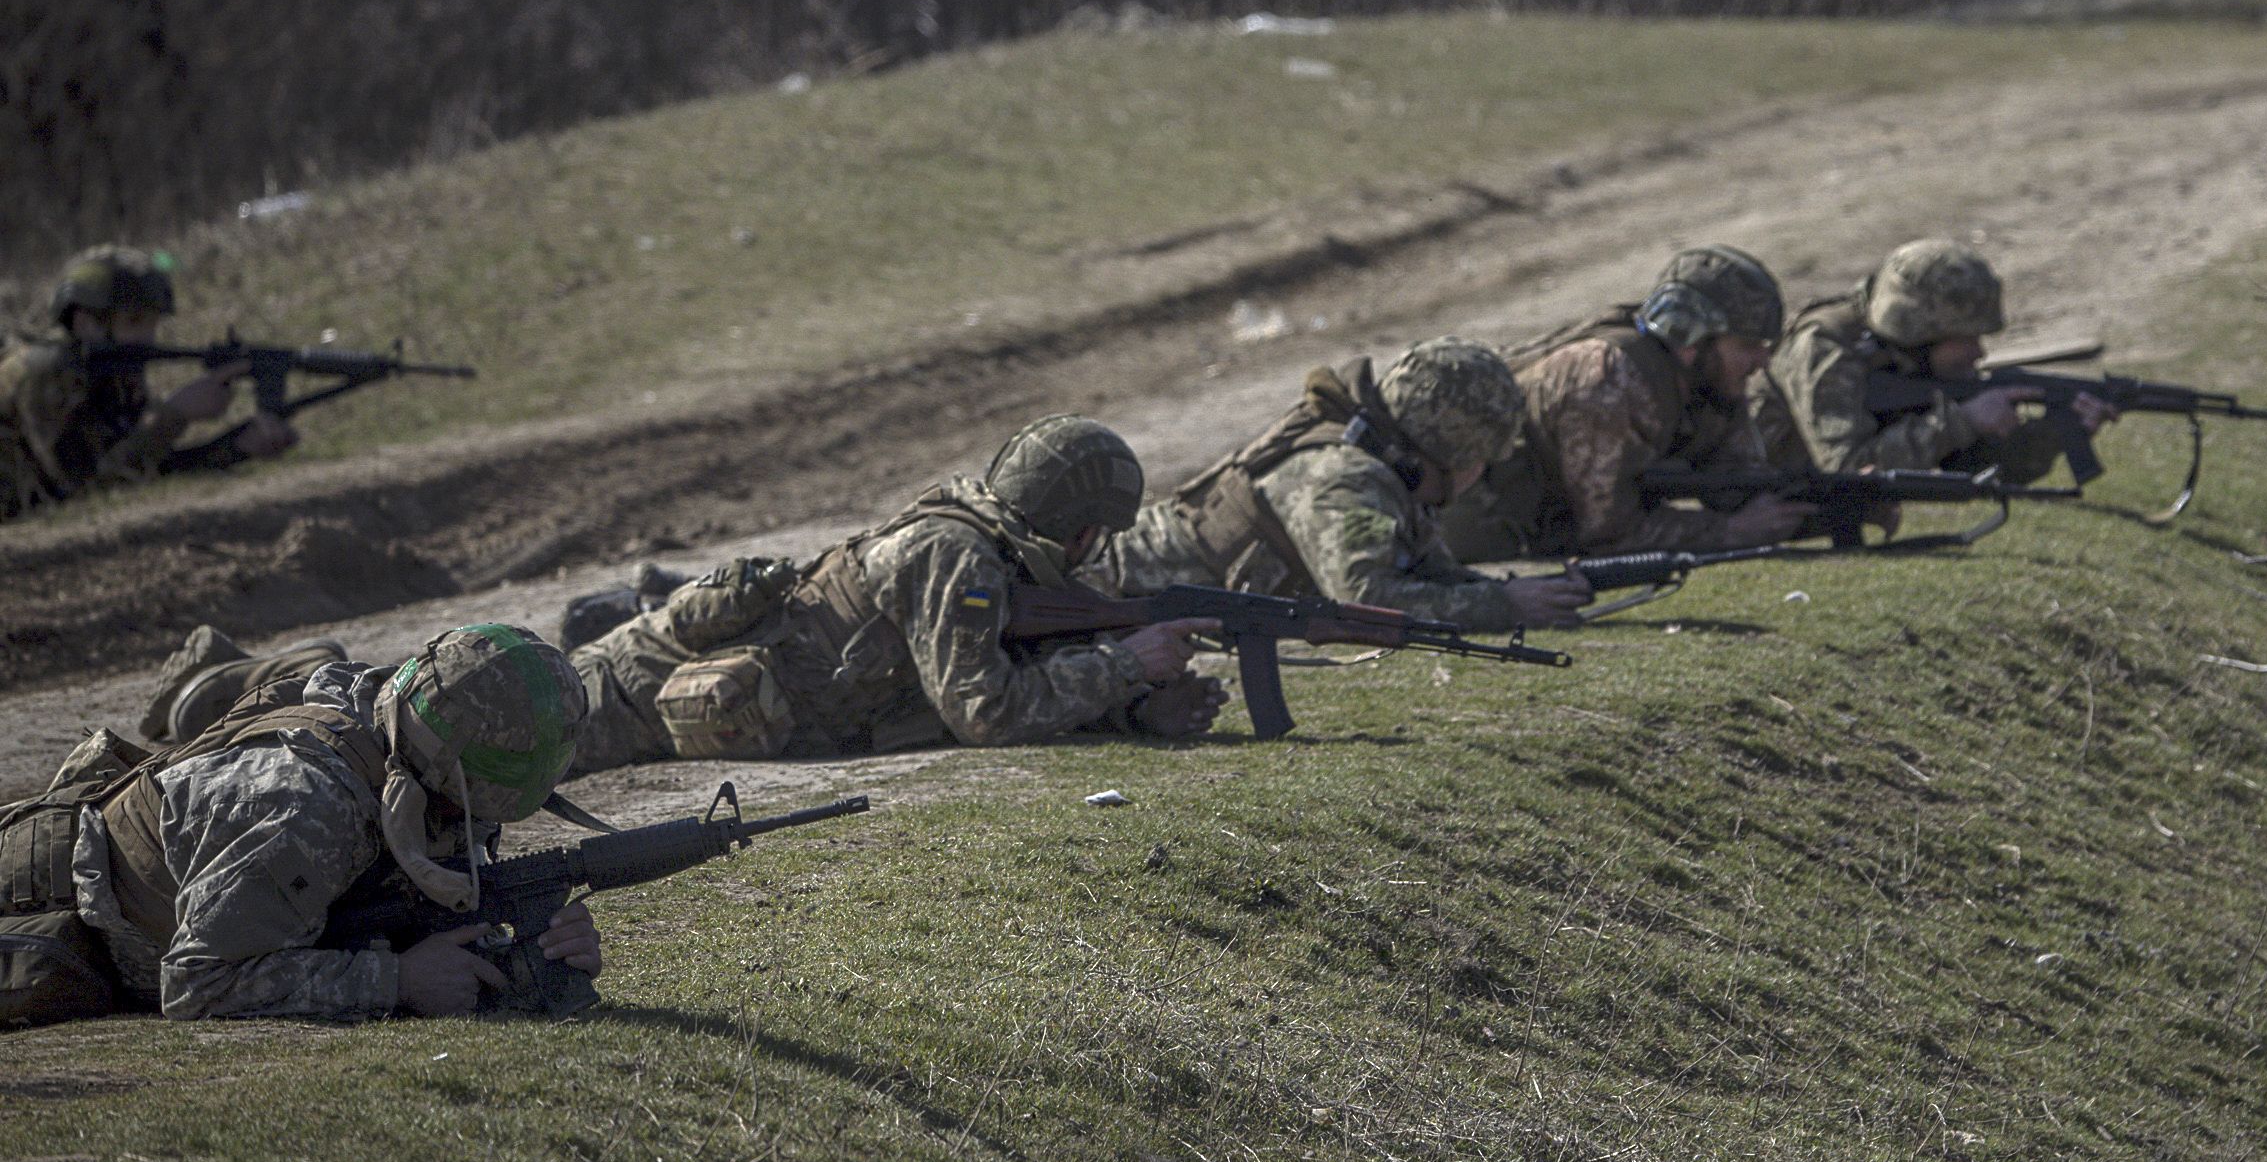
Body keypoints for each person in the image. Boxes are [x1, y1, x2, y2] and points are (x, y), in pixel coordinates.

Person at [0, 624, 603, 1026]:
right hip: (52, 901)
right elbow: (196, 983)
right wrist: (394, 981)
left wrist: (534, 947)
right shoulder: (305, 812)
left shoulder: (413, 724)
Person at [562, 415, 1225, 774]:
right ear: (1076, 528)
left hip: (693, 714)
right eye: (1098, 535)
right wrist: (1128, 664)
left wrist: (1135, 711)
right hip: (623, 696)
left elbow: (1002, 678)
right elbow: (984, 713)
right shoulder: (955, 556)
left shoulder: (997, 551)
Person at [1096, 337, 1590, 630]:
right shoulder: (1346, 478)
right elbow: (1363, 602)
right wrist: (1504, 605)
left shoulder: (1382, 469)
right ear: (1451, 453)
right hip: (1104, 591)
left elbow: (1426, 576)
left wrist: (1526, 594)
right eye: (1482, 457)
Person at [1440, 245, 1813, 562]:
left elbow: (1739, 480)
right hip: (1477, 521)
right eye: (1748, 347)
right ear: (1691, 340)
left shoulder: (1709, 382)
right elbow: (1608, 534)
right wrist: (1733, 532)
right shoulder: (1609, 379)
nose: (1762, 362)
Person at [1750, 237, 2115, 480]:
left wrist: (2055, 433)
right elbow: (1848, 470)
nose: (1979, 352)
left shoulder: (1913, 367)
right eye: (1965, 339)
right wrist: (1962, 421)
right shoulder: (1825, 344)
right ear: (1918, 334)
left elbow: (1980, 469)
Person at [0, 246, 296, 521]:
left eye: (153, 324)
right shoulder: (46, 370)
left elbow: (139, 468)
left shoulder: (110, 369)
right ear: (85, 323)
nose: (148, 338)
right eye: (134, 322)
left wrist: (234, 447)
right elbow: (86, 491)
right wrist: (174, 415)